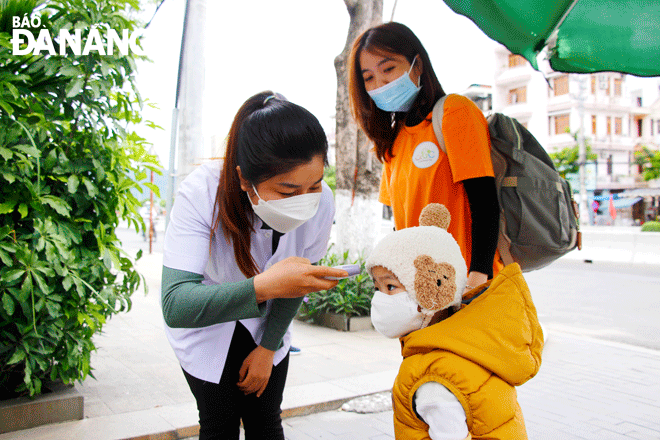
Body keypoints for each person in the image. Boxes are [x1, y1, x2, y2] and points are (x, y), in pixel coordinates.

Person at [160, 91, 348, 440]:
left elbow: (297, 283)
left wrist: (269, 347)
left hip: (267, 325)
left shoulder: (321, 203)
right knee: (219, 423)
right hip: (206, 323)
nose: (304, 201)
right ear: (246, 180)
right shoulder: (202, 192)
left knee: (265, 420)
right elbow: (176, 304)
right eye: (287, 191)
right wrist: (265, 286)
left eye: (315, 185)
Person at [366, 204, 543, 439]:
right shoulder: (468, 344)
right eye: (376, 287)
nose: (379, 297)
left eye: (390, 286)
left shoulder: (431, 378)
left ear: (433, 292)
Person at [348, 22, 502, 291]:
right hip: (421, 292)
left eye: (388, 69)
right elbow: (402, 224)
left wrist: (478, 277)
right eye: (368, 77)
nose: (380, 83)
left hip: (465, 286)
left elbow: (485, 203)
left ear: (417, 66)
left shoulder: (455, 112)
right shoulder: (393, 140)